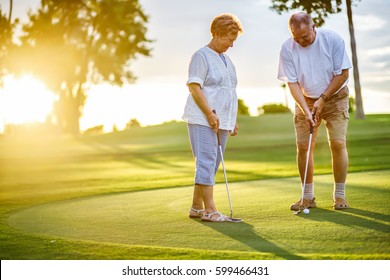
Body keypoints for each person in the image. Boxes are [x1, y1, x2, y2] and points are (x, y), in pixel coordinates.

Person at [277, 12, 352, 211]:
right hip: (305, 98)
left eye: (305, 37)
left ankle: (339, 195)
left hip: (335, 97)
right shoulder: (287, 48)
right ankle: (307, 197)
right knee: (303, 147)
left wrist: (323, 99)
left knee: (337, 142)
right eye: (296, 38)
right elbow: (292, 83)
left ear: (313, 27)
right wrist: (305, 108)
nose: (301, 41)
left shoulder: (332, 40)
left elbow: (343, 74)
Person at [182, 13, 243, 222]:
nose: (231, 45)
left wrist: (230, 119)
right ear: (216, 34)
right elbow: (194, 86)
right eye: (229, 39)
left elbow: (228, 91)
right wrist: (209, 113)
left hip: (221, 121)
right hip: (202, 118)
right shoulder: (201, 55)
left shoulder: (227, 61)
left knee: (211, 164)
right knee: (206, 162)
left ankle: (196, 207)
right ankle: (210, 210)